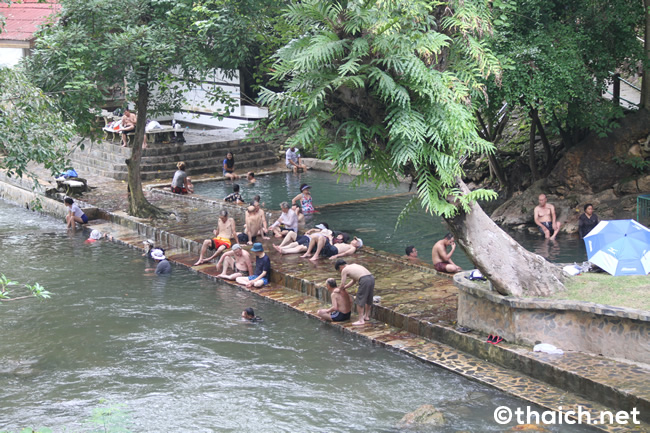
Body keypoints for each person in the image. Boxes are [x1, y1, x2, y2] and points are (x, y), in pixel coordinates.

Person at [335, 260, 374, 326]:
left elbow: (342, 284)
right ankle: (366, 316)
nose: (340, 272)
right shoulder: (354, 265)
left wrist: (338, 289)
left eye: (339, 271)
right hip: (371, 278)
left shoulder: (345, 270)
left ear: (341, 267)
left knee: (359, 299)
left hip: (364, 280)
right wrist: (345, 287)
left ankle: (361, 320)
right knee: (368, 298)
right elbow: (354, 281)